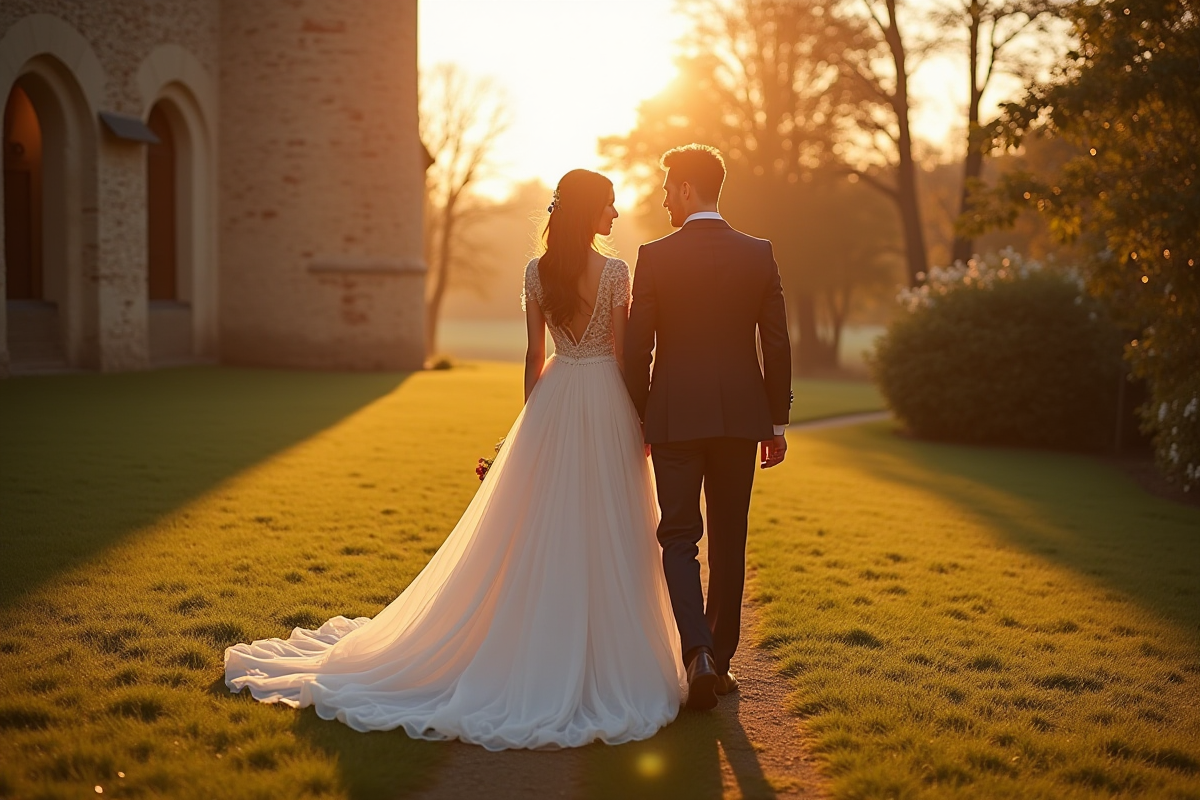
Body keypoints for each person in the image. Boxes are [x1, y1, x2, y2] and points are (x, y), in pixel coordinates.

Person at [224, 169, 685, 750]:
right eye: (610, 205)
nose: (616, 215)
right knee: (612, 526)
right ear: (590, 210)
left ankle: (546, 643)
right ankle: (603, 654)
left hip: (556, 395)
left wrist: (532, 425)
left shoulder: (536, 273)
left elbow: (532, 356)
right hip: (605, 402)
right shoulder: (616, 272)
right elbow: (622, 355)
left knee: (545, 528)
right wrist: (637, 418)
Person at [625, 143, 792, 711]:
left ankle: (695, 651)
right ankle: (717, 661)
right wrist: (775, 421)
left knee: (678, 536)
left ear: (688, 189)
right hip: (741, 421)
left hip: (673, 419)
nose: (664, 197)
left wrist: (643, 414)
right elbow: (776, 342)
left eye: (669, 187)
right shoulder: (759, 253)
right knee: (730, 537)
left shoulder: (654, 256)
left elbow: (636, 348)